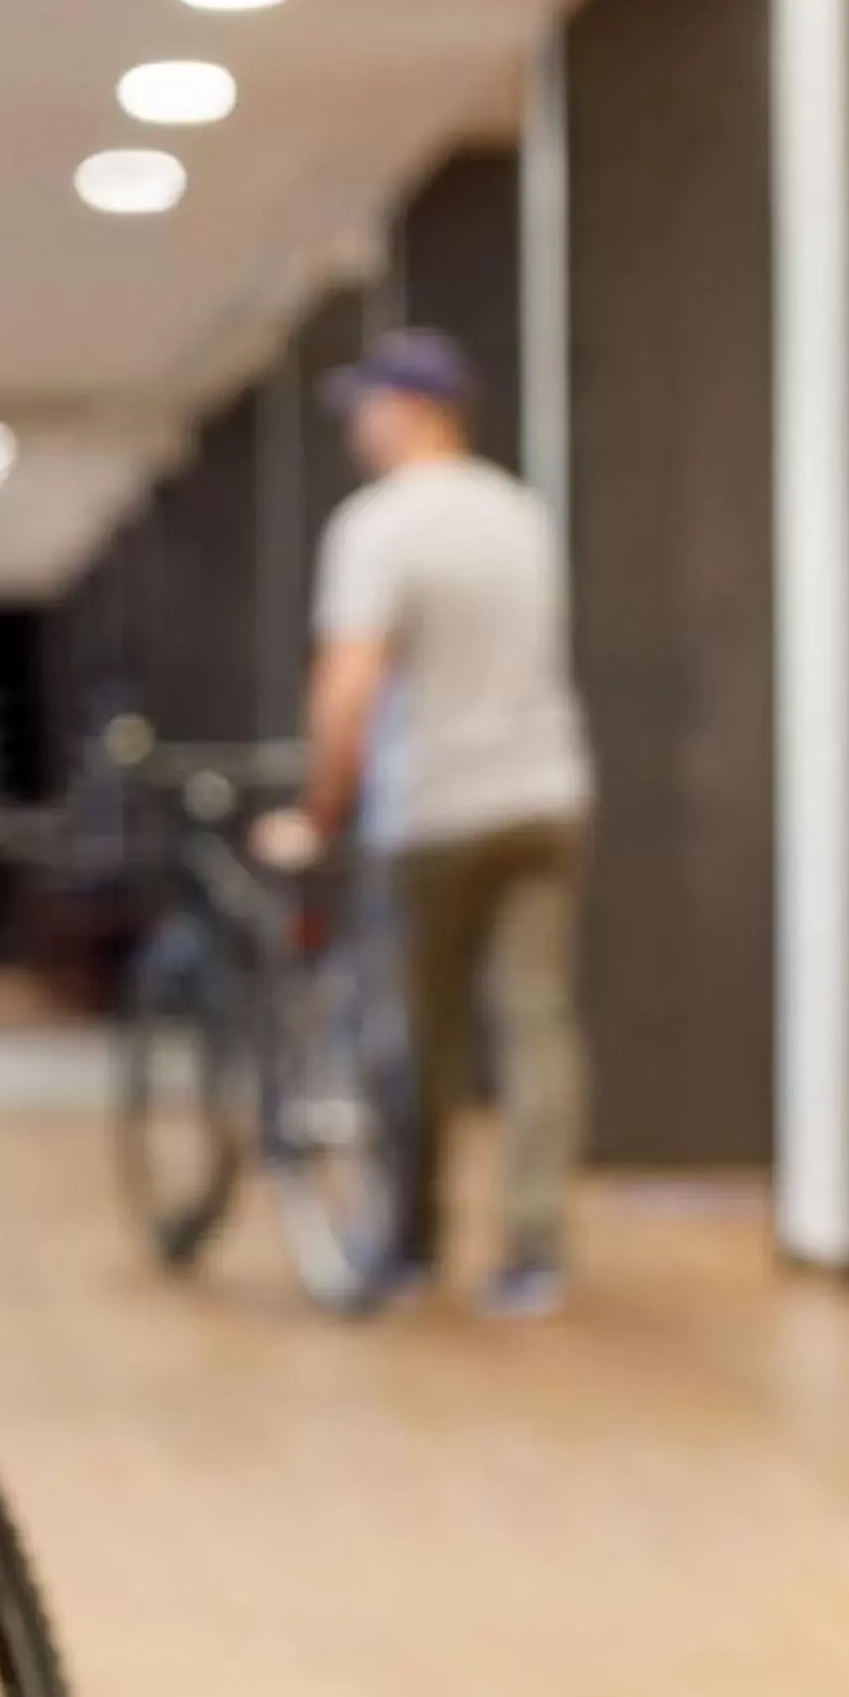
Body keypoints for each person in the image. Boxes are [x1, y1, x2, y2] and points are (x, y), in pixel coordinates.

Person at [252, 328, 591, 1317]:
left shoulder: (381, 524)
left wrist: (320, 809)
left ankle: (414, 1240)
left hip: (435, 807)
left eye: (366, 405)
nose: (357, 426)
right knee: (537, 1023)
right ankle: (535, 1249)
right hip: (547, 795)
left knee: (418, 1032)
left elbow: (348, 681)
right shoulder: (520, 514)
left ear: (409, 408)